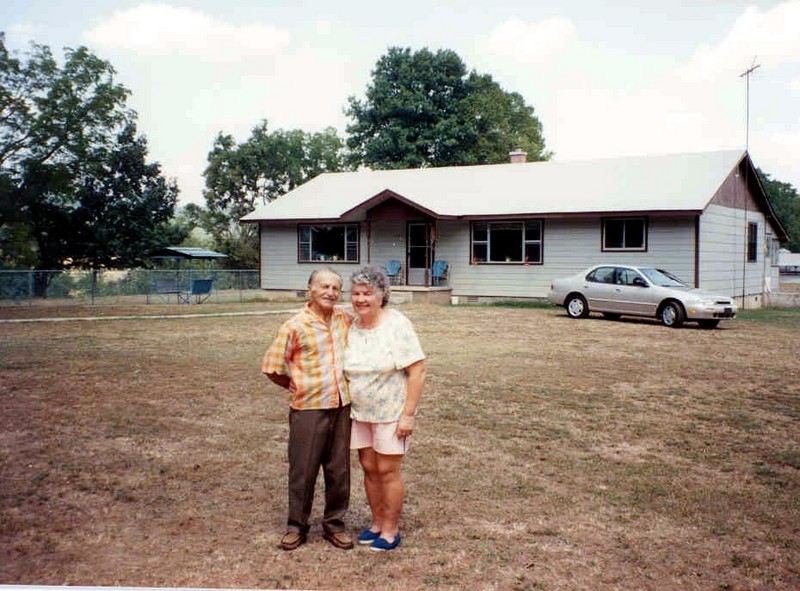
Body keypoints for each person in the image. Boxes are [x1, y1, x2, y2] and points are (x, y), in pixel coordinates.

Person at [262, 268, 354, 551]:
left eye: (335, 288)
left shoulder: (345, 319)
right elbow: (272, 367)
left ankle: (334, 524)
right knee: (304, 469)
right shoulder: (294, 326)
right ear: (310, 289)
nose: (330, 292)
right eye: (324, 286)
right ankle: (296, 526)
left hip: (342, 406)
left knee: (339, 470)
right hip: (309, 408)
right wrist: (294, 385)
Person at [344, 265, 426, 551]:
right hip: (360, 414)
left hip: (391, 413)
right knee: (369, 468)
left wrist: (408, 415)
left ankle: (391, 530)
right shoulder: (352, 327)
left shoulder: (396, 324)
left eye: (367, 293)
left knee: (387, 470)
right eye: (356, 293)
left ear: (381, 296)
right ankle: (377, 523)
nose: (360, 299)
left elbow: (418, 371)